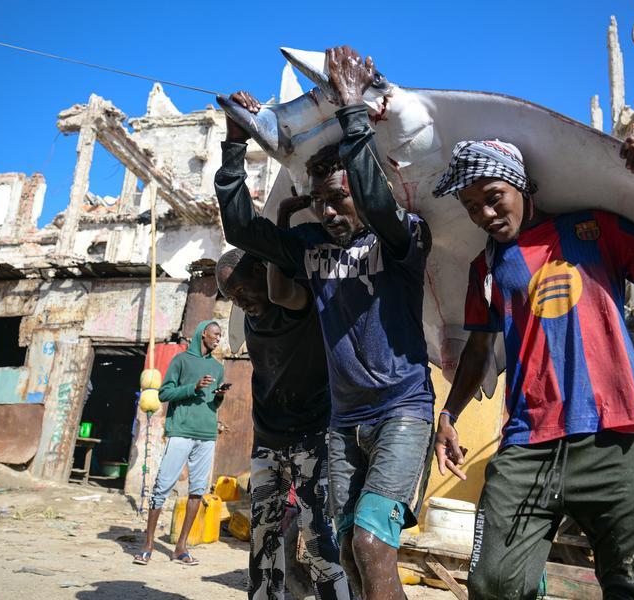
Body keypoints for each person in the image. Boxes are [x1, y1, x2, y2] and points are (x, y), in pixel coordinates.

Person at [215, 46, 435, 600]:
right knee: (352, 556)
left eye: (337, 198)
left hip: (401, 412)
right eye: (319, 202)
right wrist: (235, 144)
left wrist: (352, 106)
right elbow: (241, 230)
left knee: (371, 544)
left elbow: (379, 206)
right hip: (343, 423)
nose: (328, 211)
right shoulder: (310, 247)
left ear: (362, 189)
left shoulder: (402, 239)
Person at [432, 137, 634, 599]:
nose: (485, 214)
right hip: (528, 445)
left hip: (618, 438)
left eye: (493, 198)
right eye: (472, 207)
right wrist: (449, 415)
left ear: (523, 185)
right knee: (494, 584)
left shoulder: (594, 229)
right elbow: (478, 350)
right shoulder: (486, 266)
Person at [215, 246, 350, 600]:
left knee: (317, 532)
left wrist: (277, 229)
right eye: (232, 298)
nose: (239, 302)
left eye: (241, 290)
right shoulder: (251, 317)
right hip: (267, 437)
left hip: (313, 433)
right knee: (263, 535)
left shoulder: (295, 303)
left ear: (262, 272)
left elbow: (281, 280)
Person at [134, 320, 226, 566]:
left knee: (197, 490)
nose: (219, 339)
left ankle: (181, 548)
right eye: (216, 334)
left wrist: (219, 397)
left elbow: (212, 403)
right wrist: (193, 387)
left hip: (207, 434)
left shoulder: (217, 368)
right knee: (162, 487)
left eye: (220, 335)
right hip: (181, 431)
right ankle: (148, 545)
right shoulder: (181, 361)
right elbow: (164, 393)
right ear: (203, 334)